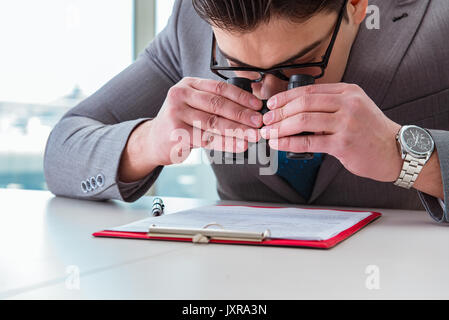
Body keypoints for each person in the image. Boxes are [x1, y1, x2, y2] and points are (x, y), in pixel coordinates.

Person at [44, 0, 449, 223]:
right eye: (239, 69)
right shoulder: (193, 25)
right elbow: (61, 151)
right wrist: (150, 140)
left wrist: (407, 155)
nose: (269, 96)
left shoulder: (437, 20)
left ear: (357, 6)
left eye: (299, 67)